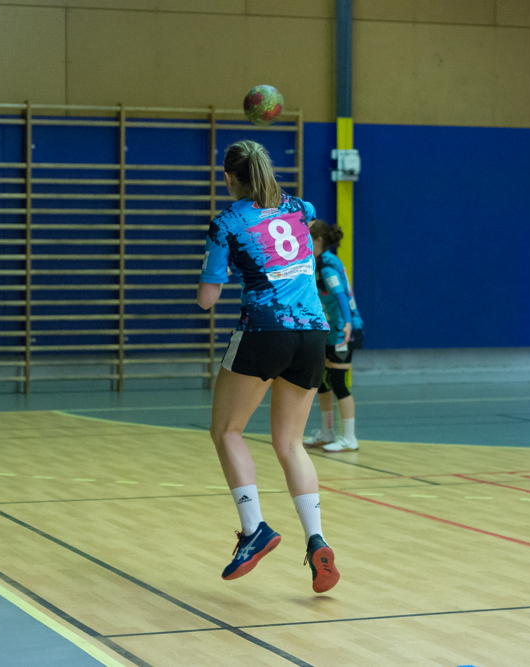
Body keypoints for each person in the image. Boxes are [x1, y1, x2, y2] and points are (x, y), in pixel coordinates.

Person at [197, 140, 339, 594]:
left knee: (227, 431)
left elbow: (207, 299)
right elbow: (292, 240)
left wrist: (211, 272)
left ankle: (254, 528)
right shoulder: (302, 208)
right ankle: (317, 540)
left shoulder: (226, 223)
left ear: (228, 177)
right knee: (290, 443)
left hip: (264, 330)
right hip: (313, 333)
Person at [303, 220, 364, 453]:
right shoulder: (317, 263)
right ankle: (327, 431)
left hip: (344, 331)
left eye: (308, 239)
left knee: (338, 383)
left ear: (318, 241)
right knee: (322, 381)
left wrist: (347, 324)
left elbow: (341, 297)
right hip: (331, 330)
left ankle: (349, 438)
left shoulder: (328, 269)